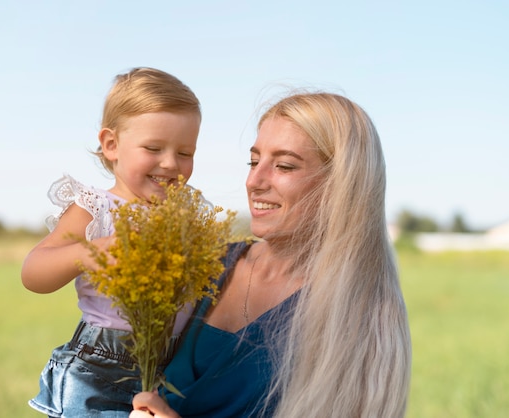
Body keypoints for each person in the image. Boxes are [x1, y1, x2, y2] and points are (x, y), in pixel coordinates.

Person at [129, 92, 412, 418]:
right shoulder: (206, 263)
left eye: (284, 166)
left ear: (340, 184)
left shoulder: (360, 311)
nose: (254, 181)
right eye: (253, 161)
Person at [21, 67, 202, 417]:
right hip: (100, 369)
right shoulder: (97, 208)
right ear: (111, 145)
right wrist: (90, 252)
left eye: (185, 153)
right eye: (154, 148)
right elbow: (33, 272)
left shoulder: (187, 215)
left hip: (168, 370)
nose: (170, 164)